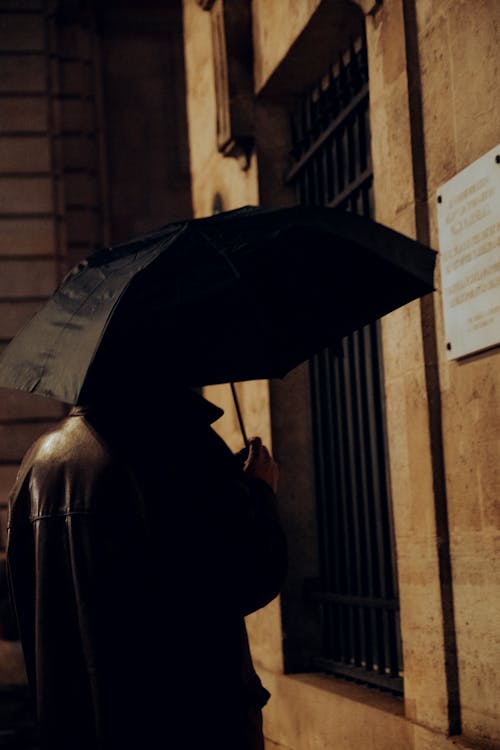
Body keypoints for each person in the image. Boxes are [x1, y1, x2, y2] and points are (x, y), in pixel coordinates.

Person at [6, 377, 286, 750]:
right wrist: (260, 492)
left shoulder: (37, 461)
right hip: (187, 719)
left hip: (79, 721)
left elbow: (24, 601)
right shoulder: (179, 446)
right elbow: (249, 574)